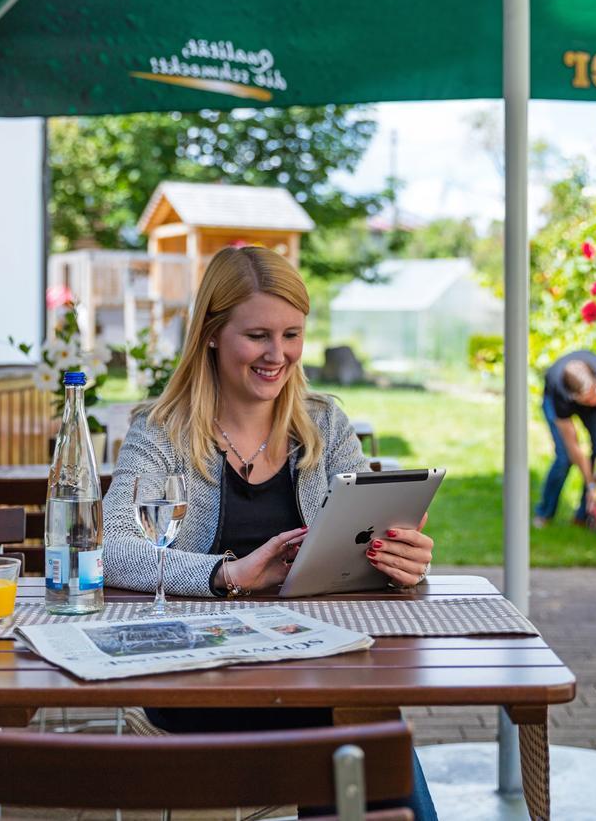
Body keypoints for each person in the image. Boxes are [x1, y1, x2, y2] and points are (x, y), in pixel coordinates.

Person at [102, 245, 438, 820]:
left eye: (291, 335)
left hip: (315, 668)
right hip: (200, 680)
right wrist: (226, 574)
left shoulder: (325, 422)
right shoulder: (159, 432)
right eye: (257, 335)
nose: (277, 355)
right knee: (361, 736)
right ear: (211, 333)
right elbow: (111, 550)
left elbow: (355, 552)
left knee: (369, 726)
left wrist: (400, 559)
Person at [533, 350, 596, 528]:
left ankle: (584, 515)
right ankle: (544, 513)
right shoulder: (559, 391)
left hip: (591, 404)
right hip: (556, 404)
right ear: (575, 397)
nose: (594, 400)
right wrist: (591, 484)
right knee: (564, 458)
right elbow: (573, 445)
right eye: (588, 398)